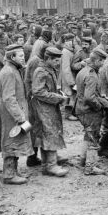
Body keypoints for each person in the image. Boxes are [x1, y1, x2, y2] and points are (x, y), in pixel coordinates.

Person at [0, 44, 34, 184]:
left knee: (16, 140)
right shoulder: (9, 72)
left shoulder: (13, 69)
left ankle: (13, 171)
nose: (24, 58)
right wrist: (20, 118)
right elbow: (9, 98)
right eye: (21, 56)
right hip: (10, 114)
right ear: (12, 57)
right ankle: (9, 175)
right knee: (11, 141)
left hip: (13, 112)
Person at [31, 46, 69, 177]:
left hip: (48, 106)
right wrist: (58, 98)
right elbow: (38, 91)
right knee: (49, 132)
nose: (58, 63)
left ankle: (48, 163)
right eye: (56, 60)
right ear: (47, 59)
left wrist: (57, 92)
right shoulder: (41, 71)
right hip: (43, 108)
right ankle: (51, 165)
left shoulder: (49, 69)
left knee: (48, 133)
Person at [75, 47, 108, 174]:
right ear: (96, 61)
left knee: (88, 135)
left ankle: (82, 160)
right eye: (101, 62)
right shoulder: (92, 75)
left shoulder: (83, 71)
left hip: (81, 109)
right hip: (89, 111)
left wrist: (100, 97)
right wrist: (99, 107)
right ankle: (90, 167)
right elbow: (89, 98)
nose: (102, 65)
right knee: (94, 138)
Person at [60, 32, 78, 121]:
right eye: (72, 40)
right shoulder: (66, 52)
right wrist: (71, 82)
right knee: (69, 95)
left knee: (71, 95)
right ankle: (68, 114)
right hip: (67, 78)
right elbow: (66, 69)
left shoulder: (69, 51)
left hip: (70, 76)